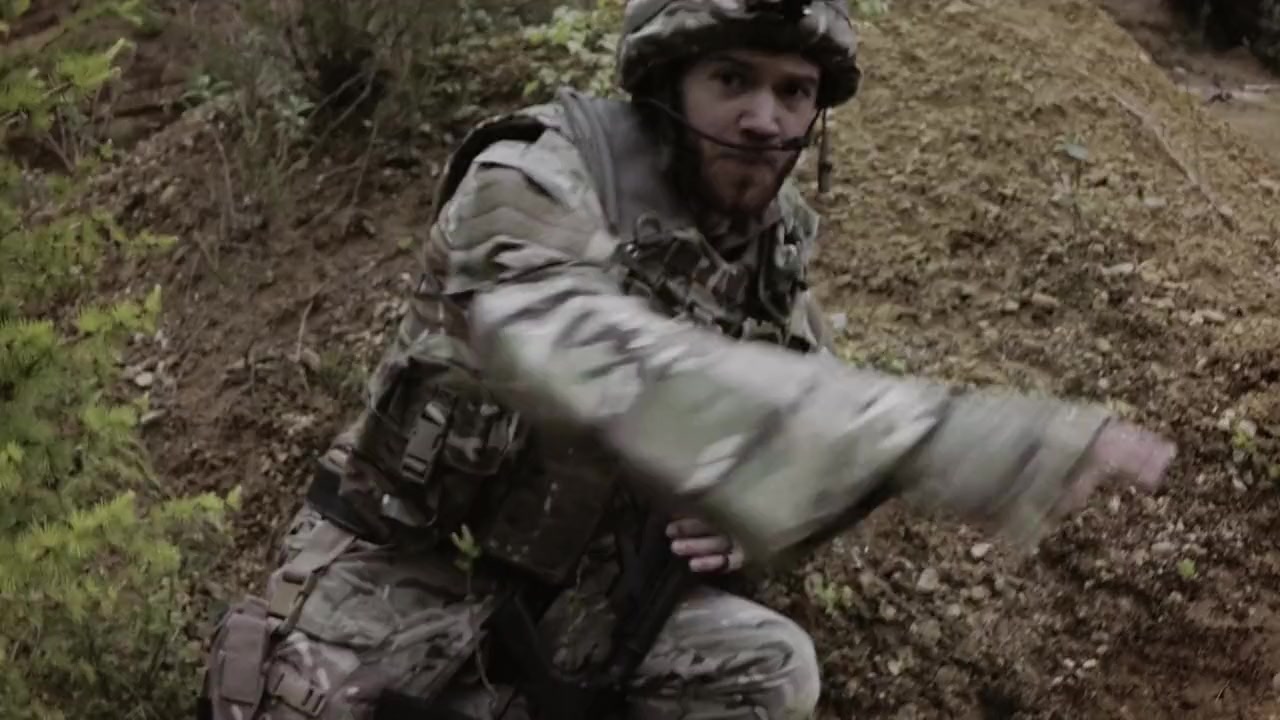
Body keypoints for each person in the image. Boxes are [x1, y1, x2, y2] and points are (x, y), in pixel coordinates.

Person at [199, 1, 1176, 718]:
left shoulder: (769, 248)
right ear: (668, 84)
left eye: (793, 91)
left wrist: (745, 527)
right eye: (732, 80)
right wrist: (952, 436)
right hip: (393, 591)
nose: (766, 119)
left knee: (764, 670)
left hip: (570, 618)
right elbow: (572, 345)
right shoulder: (533, 174)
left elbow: (816, 418)